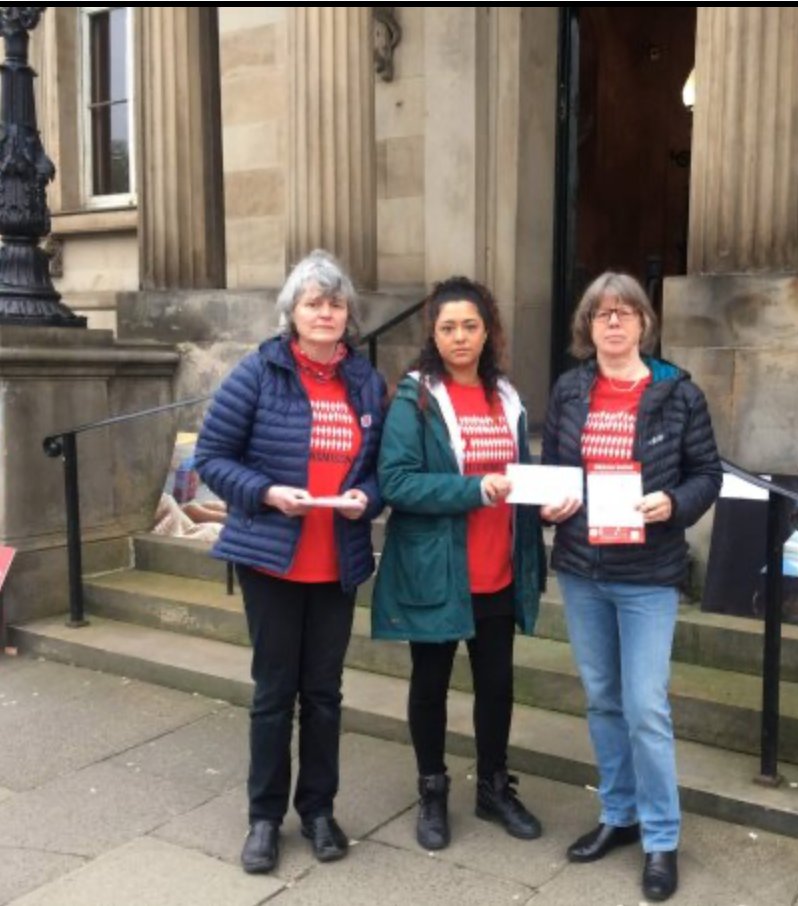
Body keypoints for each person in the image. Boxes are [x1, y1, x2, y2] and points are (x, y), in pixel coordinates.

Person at [194, 250, 386, 874]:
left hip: (338, 559)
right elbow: (212, 458)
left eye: (335, 303)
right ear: (292, 312)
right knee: (275, 693)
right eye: (313, 302)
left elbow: (383, 469)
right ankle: (264, 819)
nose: (325, 312)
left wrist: (368, 498)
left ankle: (320, 811)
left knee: (325, 694)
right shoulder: (259, 373)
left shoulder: (364, 381)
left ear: (347, 313)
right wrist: (268, 493)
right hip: (273, 559)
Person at [541, 271, 722, 902]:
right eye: (601, 315)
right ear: (586, 328)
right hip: (582, 566)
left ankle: (662, 837)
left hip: (646, 573)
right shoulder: (570, 389)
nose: (613, 323)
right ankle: (618, 816)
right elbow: (555, 471)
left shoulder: (677, 394)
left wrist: (672, 503)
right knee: (602, 698)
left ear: (645, 323)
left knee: (646, 706)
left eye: (625, 313)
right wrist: (549, 504)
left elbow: (707, 474)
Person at [371, 276, 545, 852]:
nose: (460, 337)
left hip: (500, 565)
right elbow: (396, 483)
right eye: (448, 327)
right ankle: (432, 790)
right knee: (431, 684)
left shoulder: (509, 398)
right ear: (434, 334)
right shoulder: (415, 397)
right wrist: (473, 490)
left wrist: (544, 504)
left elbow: (519, 479)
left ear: (488, 329)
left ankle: (494, 787)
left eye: (470, 325)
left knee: (497, 683)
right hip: (439, 569)